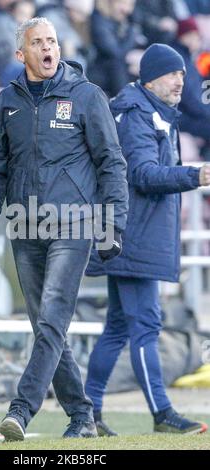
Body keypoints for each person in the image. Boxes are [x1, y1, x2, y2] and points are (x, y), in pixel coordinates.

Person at [0, 17, 128, 441]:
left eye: (53, 42)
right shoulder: (7, 101)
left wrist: (113, 222)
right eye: (38, 42)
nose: (49, 48)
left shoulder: (86, 96)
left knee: (52, 320)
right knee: (47, 327)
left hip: (74, 225)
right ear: (20, 53)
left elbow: (112, 162)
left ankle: (21, 410)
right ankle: (82, 417)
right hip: (24, 228)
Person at [85, 43, 210, 436]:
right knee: (146, 325)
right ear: (151, 77)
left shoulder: (152, 112)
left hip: (132, 233)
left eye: (184, 75)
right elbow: (142, 175)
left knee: (118, 328)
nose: (180, 82)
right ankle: (162, 413)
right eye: (173, 74)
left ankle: (88, 411)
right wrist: (195, 175)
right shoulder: (137, 112)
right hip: (132, 235)